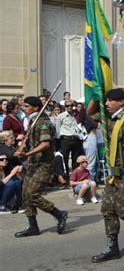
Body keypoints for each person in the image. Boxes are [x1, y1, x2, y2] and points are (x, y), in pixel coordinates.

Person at [14, 96, 68, 238]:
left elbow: (45, 145)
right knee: (25, 193)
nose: (23, 108)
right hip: (33, 162)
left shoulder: (44, 122)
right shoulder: (33, 120)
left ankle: (59, 214)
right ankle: (32, 226)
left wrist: (27, 154)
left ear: (36, 107)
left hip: (44, 164)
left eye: (26, 106)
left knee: (32, 195)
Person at [92, 88, 124, 263]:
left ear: (121, 102)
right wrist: (95, 94)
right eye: (105, 100)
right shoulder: (107, 117)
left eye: (110, 100)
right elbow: (87, 114)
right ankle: (112, 247)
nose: (106, 104)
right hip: (112, 174)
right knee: (107, 209)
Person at [57, 99, 84, 178]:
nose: (69, 107)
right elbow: (58, 129)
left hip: (76, 139)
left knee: (75, 160)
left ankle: (75, 177)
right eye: (67, 106)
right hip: (65, 139)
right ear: (65, 107)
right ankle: (65, 177)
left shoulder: (77, 115)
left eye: (71, 105)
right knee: (64, 159)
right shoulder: (61, 116)